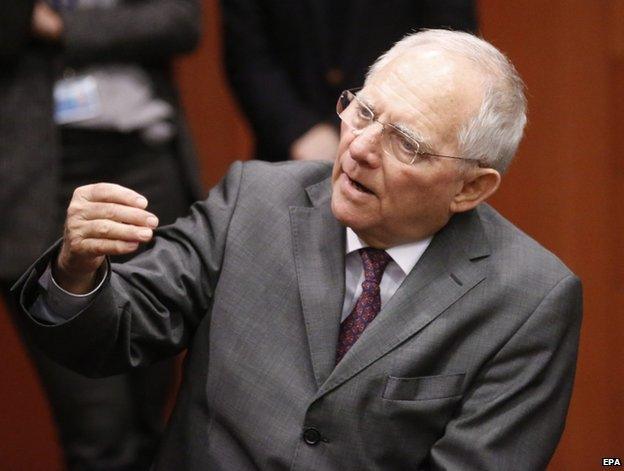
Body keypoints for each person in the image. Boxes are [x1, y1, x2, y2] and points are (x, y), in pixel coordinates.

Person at [14, 30, 582, 470]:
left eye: (405, 143)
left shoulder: (528, 298)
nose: (359, 148)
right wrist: (78, 270)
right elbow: (113, 334)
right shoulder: (255, 198)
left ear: (470, 188)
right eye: (363, 112)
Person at [1, 0, 203, 469]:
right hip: (35, 183)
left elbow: (178, 21)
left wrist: (58, 26)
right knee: (99, 434)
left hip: (144, 163)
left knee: (157, 417)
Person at [222, 0, 477, 162]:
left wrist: (369, 126)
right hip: (288, 153)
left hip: (398, 149)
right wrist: (298, 131)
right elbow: (248, 56)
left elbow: (448, 47)